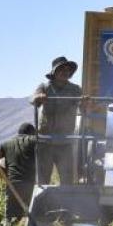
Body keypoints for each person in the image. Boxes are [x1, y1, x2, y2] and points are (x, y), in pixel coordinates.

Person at [30, 56, 85, 185]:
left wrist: (86, 104)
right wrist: (39, 97)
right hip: (46, 141)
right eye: (61, 69)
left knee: (67, 179)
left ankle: (66, 204)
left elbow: (83, 106)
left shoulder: (75, 89)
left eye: (67, 70)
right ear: (54, 72)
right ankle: (45, 203)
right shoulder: (44, 87)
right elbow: (32, 100)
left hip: (65, 141)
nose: (65, 72)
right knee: (43, 180)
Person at [0, 122, 38, 226]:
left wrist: (5, 172)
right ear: (31, 133)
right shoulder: (34, 140)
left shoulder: (6, 144)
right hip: (29, 185)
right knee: (38, 215)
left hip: (12, 184)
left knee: (10, 218)